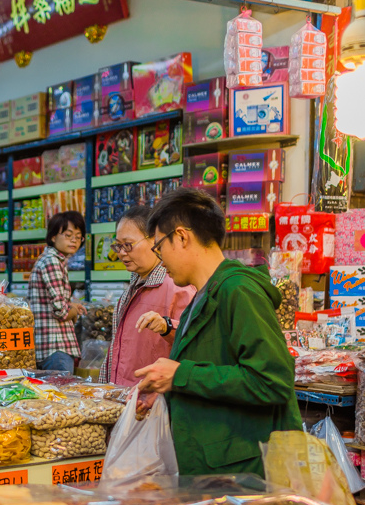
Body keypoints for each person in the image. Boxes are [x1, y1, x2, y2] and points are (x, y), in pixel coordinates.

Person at [135, 187, 302, 476]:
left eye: (159, 247)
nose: (160, 259)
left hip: (240, 477)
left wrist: (181, 375)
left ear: (182, 237)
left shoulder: (238, 290)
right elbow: (215, 369)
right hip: (209, 467)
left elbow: (271, 380)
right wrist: (166, 393)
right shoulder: (200, 296)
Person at [98, 206, 195, 387]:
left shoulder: (176, 286)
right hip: (125, 395)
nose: (121, 253)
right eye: (118, 245)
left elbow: (194, 341)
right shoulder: (136, 282)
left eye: (128, 245)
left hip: (151, 399)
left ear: (155, 240)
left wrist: (166, 326)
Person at [28, 210, 87, 372]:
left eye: (78, 236)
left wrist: (71, 305)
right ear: (53, 236)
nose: (74, 240)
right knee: (60, 395)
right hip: (55, 347)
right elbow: (61, 311)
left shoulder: (53, 260)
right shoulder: (52, 262)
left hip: (48, 346)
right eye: (68, 235)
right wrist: (73, 310)